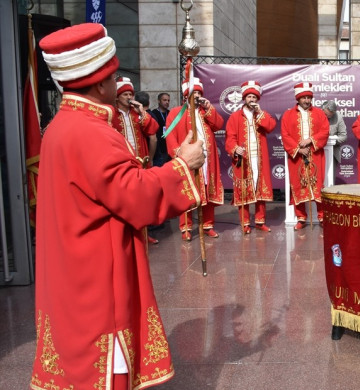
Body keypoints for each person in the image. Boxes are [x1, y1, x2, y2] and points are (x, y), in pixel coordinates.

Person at [32, 23, 205, 390]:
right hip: (97, 279)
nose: (117, 84)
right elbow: (136, 197)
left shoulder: (62, 126)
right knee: (106, 371)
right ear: (99, 84)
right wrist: (182, 165)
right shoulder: (91, 133)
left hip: (71, 271)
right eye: (113, 76)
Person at [166, 77, 225, 241]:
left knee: (207, 189)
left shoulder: (205, 112)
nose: (197, 96)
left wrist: (209, 108)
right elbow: (170, 136)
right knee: (187, 191)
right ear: (186, 96)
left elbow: (219, 125)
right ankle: (186, 227)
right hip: (187, 158)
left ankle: (208, 225)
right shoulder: (176, 113)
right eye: (194, 93)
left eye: (199, 93)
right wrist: (178, 154)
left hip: (207, 159)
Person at [113, 78, 160, 245]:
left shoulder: (137, 114)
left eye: (130, 94)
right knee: (124, 200)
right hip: (121, 164)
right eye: (125, 94)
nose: (128, 97)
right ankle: (126, 234)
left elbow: (153, 129)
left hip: (140, 164)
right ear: (118, 97)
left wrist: (142, 112)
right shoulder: (111, 114)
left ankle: (144, 233)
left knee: (142, 200)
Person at [225, 80, 276, 233]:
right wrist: (235, 149)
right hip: (244, 159)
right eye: (249, 97)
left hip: (259, 159)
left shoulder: (261, 114)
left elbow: (271, 126)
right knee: (244, 190)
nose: (252, 100)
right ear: (244, 98)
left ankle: (260, 222)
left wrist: (260, 112)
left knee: (260, 189)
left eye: (254, 97)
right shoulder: (235, 117)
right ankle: (245, 223)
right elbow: (230, 137)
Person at [280, 82, 330, 230]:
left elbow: (325, 131)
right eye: (304, 98)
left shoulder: (320, 113)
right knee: (298, 185)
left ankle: (322, 216)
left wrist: (310, 140)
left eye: (309, 97)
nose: (307, 100)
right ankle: (301, 217)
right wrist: (297, 149)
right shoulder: (288, 114)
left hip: (315, 154)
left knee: (318, 185)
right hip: (297, 156)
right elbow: (285, 134)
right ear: (298, 98)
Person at [149, 92, 172, 167]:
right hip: (158, 150)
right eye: (164, 100)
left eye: (168, 100)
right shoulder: (154, 113)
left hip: (169, 149)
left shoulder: (170, 113)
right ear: (159, 101)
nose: (167, 102)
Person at [322, 100, 347, 166]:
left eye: (331, 115)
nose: (328, 117)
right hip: (318, 151)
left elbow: (343, 136)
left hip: (333, 152)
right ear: (323, 109)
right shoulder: (316, 115)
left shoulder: (338, 117)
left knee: (331, 176)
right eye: (326, 114)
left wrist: (332, 142)